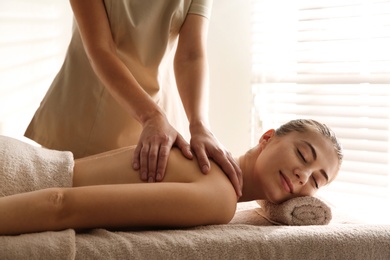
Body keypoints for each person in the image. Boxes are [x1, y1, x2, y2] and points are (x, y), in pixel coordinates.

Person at [24, 0, 242, 196]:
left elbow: (191, 55)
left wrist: (200, 125)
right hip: (83, 120)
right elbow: (101, 49)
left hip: (154, 132)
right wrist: (151, 116)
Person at [0, 119, 343, 235]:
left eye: (316, 181)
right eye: (303, 155)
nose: (303, 175)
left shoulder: (210, 163)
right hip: (17, 179)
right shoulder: (219, 196)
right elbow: (62, 204)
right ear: (267, 138)